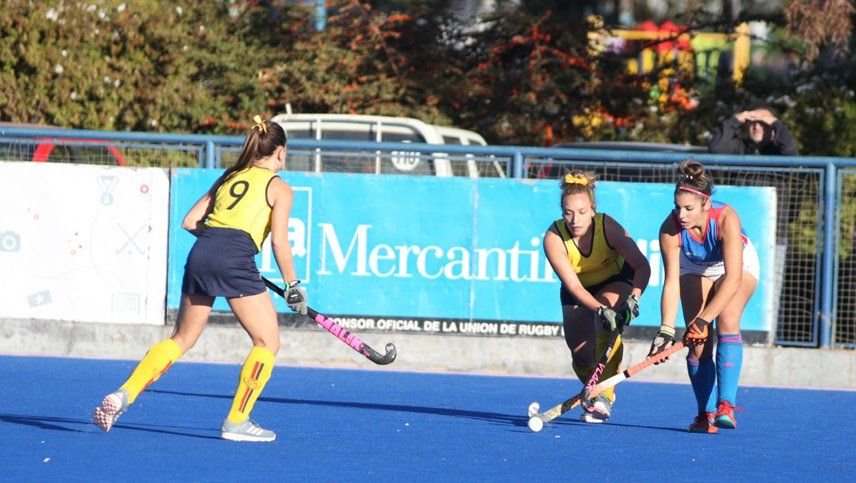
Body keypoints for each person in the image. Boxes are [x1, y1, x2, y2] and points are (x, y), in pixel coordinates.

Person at [93, 115, 307, 442]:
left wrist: (219, 249)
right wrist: (292, 285)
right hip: (234, 257)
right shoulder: (280, 188)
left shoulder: (229, 177)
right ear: (280, 151)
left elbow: (190, 221)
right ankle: (237, 421)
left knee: (181, 339)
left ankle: (124, 393)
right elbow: (279, 242)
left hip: (202, 252)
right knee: (268, 342)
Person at [648, 159, 759, 434]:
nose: (681, 215)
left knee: (727, 320)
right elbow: (671, 282)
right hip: (694, 267)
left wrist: (703, 320)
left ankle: (726, 406)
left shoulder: (726, 219)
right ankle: (704, 414)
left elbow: (733, 279)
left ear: (706, 204)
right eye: (677, 207)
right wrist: (665, 330)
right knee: (697, 345)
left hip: (734, 266)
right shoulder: (669, 229)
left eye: (689, 208)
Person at [543, 171, 651, 423]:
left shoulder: (607, 227)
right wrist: (600, 310)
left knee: (605, 323)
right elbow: (574, 287)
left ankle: (604, 397)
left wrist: (634, 298)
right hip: (579, 290)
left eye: (582, 212)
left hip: (615, 280)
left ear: (593, 209)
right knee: (580, 354)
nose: (575, 220)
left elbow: (642, 265)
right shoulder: (553, 238)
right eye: (568, 213)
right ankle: (593, 392)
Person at [708, 108, 798, 155]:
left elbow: (790, 151)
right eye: (753, 123)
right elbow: (716, 149)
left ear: (773, 129)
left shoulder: (779, 150)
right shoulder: (739, 147)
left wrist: (776, 123)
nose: (757, 127)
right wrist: (735, 120)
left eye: (763, 123)